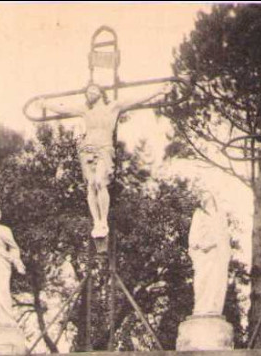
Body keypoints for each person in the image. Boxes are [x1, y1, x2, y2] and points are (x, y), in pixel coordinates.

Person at [40, 82, 168, 243]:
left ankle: (103, 221)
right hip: (87, 149)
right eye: (87, 92)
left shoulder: (114, 106)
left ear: (101, 92)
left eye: (93, 90)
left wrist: (158, 91)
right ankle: (97, 222)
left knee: (101, 182)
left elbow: (137, 99)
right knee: (91, 184)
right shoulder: (85, 109)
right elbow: (64, 108)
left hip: (104, 148)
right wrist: (45, 104)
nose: (90, 93)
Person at [188, 195, 232, 317]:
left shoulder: (220, 216)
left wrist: (215, 243)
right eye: (204, 200)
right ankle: (200, 307)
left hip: (216, 255)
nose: (206, 203)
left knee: (215, 280)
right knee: (201, 281)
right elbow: (192, 238)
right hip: (202, 255)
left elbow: (224, 237)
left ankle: (213, 307)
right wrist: (201, 244)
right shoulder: (198, 214)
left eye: (209, 200)